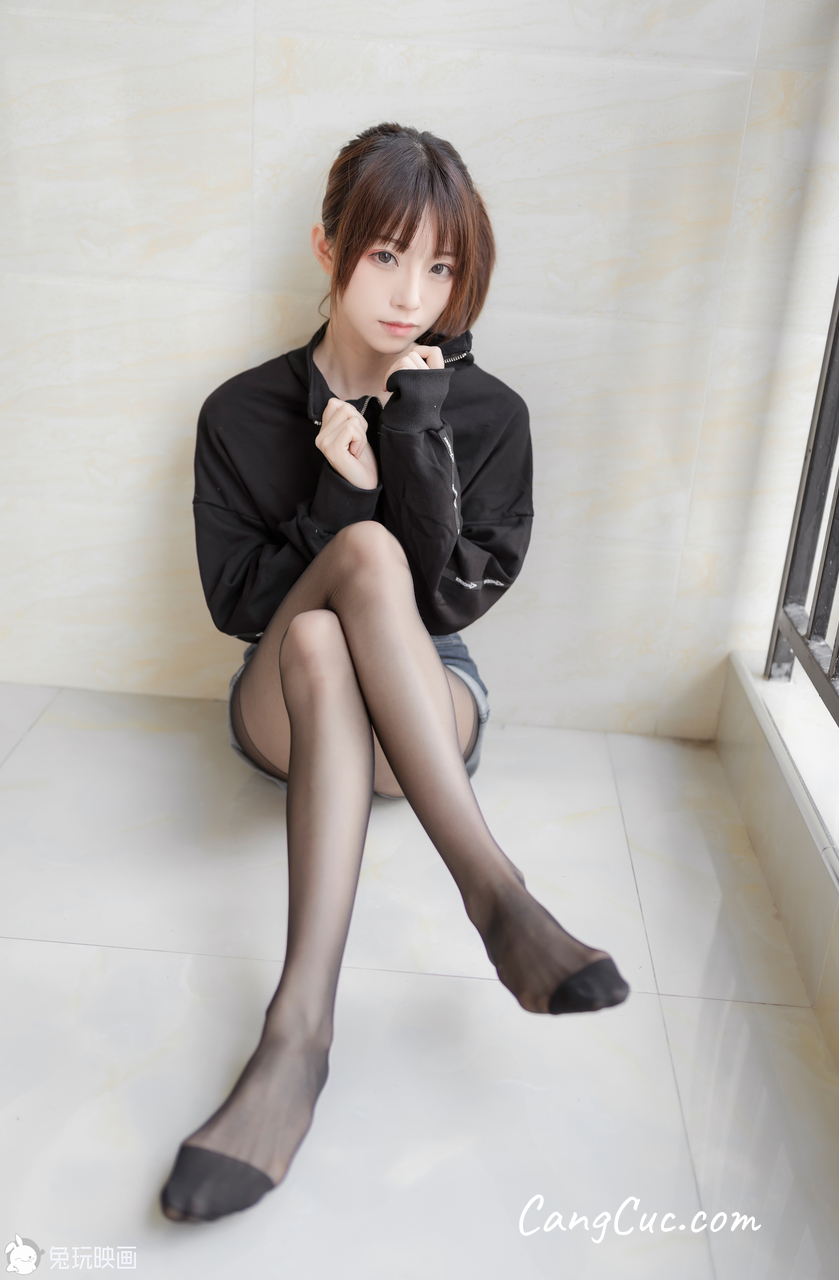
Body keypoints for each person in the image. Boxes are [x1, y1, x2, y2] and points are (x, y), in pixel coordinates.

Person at [160, 122, 629, 1225]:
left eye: (442, 267)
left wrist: (416, 438)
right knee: (325, 617)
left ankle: (296, 1034)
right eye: (384, 255)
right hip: (287, 697)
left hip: (427, 696)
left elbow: (453, 604)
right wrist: (338, 502)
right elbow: (238, 606)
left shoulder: (489, 414)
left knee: (366, 588)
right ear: (327, 248)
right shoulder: (239, 411)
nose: (412, 294)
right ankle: (495, 896)